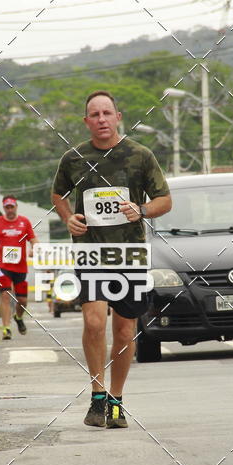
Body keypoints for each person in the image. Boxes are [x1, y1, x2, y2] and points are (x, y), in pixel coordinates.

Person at [52, 90, 172, 429]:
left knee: (124, 329)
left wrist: (143, 209)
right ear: (86, 121)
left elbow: (165, 199)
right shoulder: (74, 158)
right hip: (91, 252)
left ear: (118, 117)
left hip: (130, 254)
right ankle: (97, 394)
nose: (102, 119)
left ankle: (117, 399)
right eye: (95, 114)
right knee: (93, 323)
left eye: (107, 113)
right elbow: (58, 193)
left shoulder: (140, 155)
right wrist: (67, 218)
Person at [0, 195, 38, 340]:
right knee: (5, 295)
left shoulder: (24, 222)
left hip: (21, 267)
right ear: (4, 208)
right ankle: (6, 328)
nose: (10, 210)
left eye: (12, 207)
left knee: (22, 301)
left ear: (16, 207)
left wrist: (34, 248)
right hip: (4, 267)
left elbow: (34, 240)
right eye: (7, 207)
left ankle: (18, 317)